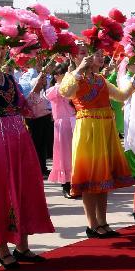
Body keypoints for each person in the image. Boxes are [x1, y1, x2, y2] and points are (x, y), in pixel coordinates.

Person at [0, 39, 54, 267]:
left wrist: (38, 85)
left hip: (19, 136)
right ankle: (2, 248)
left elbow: (24, 107)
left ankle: (22, 246)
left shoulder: (9, 78)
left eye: (0, 48)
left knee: (23, 186)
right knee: (0, 188)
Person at [60, 52, 135, 237]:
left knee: (103, 178)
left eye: (98, 54)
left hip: (105, 128)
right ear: (75, 58)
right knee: (90, 179)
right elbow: (65, 92)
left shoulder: (101, 79)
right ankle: (92, 224)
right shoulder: (73, 76)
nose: (97, 57)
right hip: (88, 130)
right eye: (90, 54)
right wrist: (79, 69)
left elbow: (121, 96)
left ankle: (103, 222)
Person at [45, 60, 77, 198]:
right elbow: (59, 92)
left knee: (76, 155)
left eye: (60, 73)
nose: (56, 76)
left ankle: (77, 183)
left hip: (75, 122)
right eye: (55, 73)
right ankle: (66, 185)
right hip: (62, 126)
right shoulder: (53, 90)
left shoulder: (74, 87)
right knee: (65, 155)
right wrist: (70, 75)